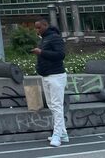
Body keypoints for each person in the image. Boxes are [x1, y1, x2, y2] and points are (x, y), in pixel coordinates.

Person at [33, 16, 68, 147]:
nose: (37, 30)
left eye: (39, 27)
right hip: (46, 75)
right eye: (36, 28)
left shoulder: (55, 38)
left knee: (57, 106)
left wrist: (41, 52)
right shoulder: (44, 39)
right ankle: (63, 133)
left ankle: (57, 135)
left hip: (56, 76)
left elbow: (61, 55)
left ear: (45, 25)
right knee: (52, 105)